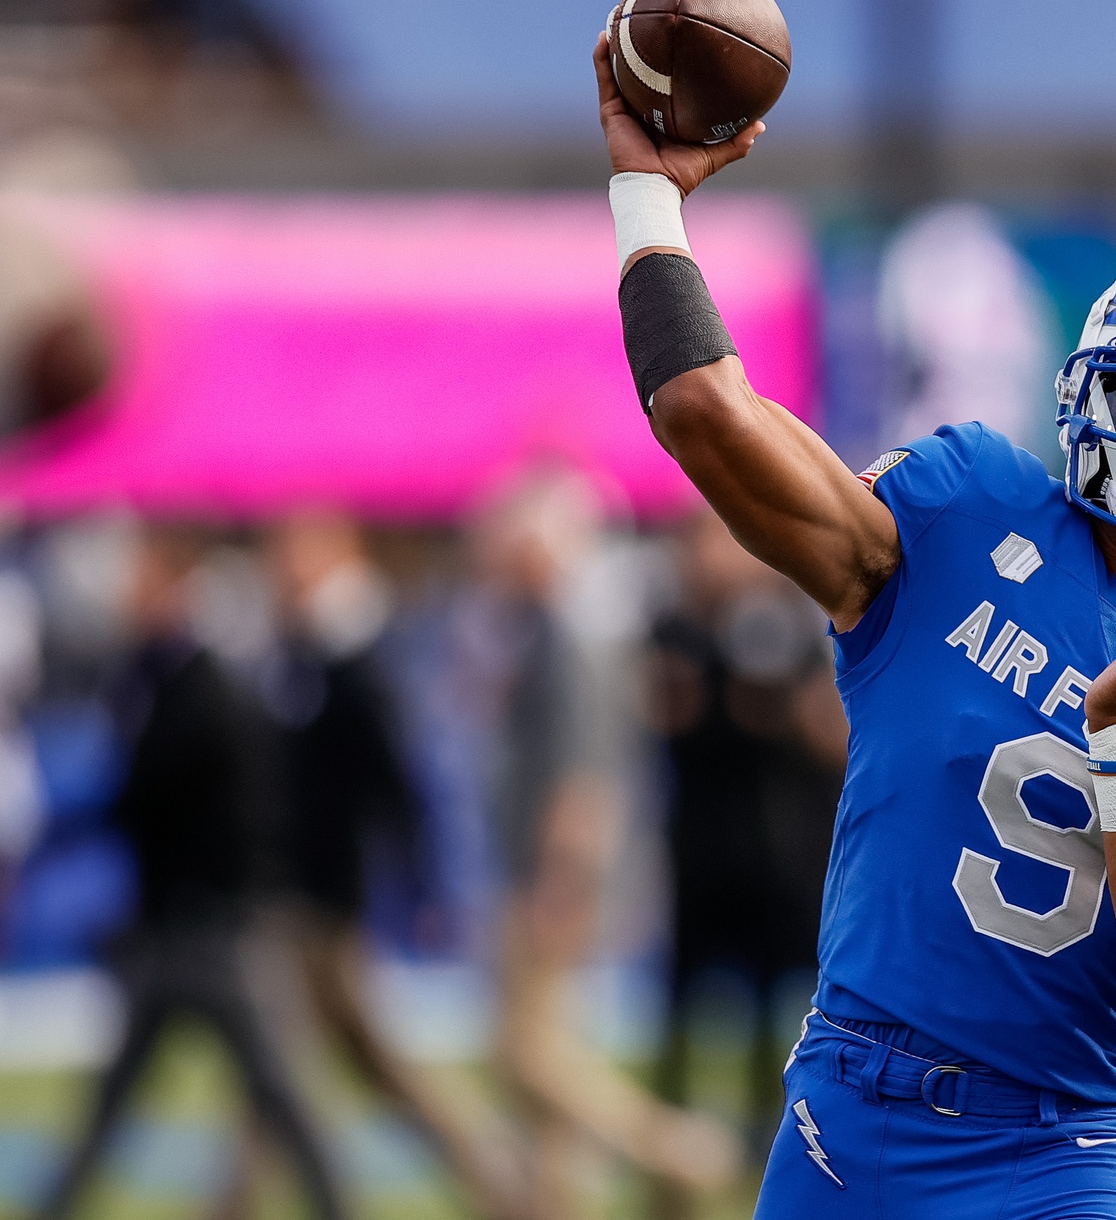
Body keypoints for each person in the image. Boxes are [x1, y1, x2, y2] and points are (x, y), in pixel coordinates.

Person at [593, 35, 1116, 1218]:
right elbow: (705, 415)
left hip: (1055, 1154)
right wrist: (648, 192)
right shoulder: (965, 513)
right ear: (1089, 389)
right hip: (841, 1119)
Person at [35, 523, 349, 1220]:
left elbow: (151, 797)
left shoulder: (203, 689)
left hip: (215, 931)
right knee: (124, 1100)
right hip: (177, 929)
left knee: (279, 1093)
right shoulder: (168, 679)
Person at [470, 467, 739, 1217]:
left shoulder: (573, 633)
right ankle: (553, 1198)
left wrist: (562, 880)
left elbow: (584, 779)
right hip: (549, 869)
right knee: (542, 1048)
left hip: (553, 875)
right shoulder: (566, 627)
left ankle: (672, 1147)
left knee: (529, 1053)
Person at [249, 507, 523, 1220]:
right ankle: (499, 1183)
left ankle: (501, 1181)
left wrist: (420, 881)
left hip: (327, 901)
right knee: (310, 1069)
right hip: (306, 895)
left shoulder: (355, 656)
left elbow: (394, 783)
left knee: (310, 1069)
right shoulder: (308, 651)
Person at [650, 509, 845, 1152]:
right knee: (680, 1013)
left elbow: (833, 733)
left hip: (778, 849)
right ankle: (670, 1154)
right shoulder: (676, 630)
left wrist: (781, 708)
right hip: (701, 849)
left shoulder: (788, 622)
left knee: (777, 1013)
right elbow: (659, 715)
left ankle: (771, 1145)